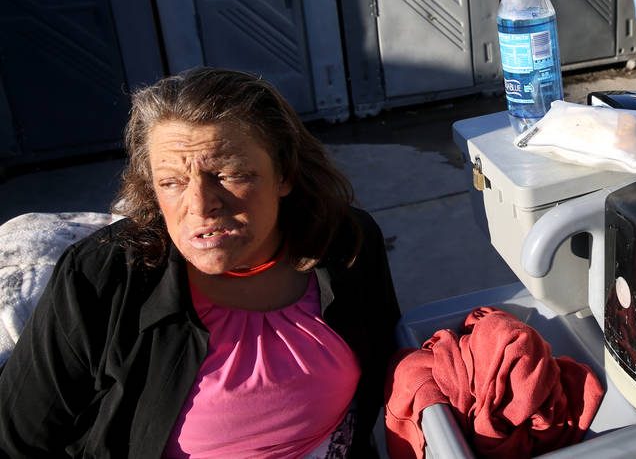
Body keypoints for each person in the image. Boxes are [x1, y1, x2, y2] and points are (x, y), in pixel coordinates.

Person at [0, 68, 401, 458]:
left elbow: (387, 368)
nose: (200, 206)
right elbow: (17, 441)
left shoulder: (344, 242)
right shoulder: (100, 279)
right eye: (171, 182)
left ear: (284, 173)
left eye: (227, 174)